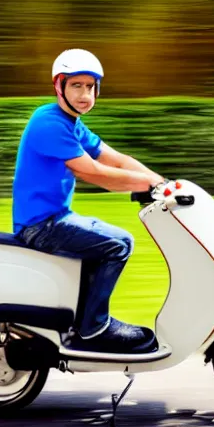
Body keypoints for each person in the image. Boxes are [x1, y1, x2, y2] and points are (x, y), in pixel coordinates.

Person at [12, 48, 163, 353]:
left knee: (107, 241)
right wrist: (150, 183)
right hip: (41, 225)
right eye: (76, 86)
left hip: (54, 218)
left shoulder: (70, 123)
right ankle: (94, 329)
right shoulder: (49, 124)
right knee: (119, 244)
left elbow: (117, 159)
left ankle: (82, 321)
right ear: (60, 86)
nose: (84, 94)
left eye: (90, 87)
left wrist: (164, 182)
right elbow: (94, 172)